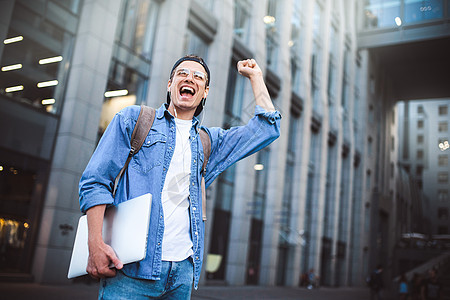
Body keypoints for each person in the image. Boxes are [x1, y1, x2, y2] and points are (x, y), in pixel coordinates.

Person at [78, 55, 281, 299]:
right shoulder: (134, 120)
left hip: (182, 274)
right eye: (182, 73)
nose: (189, 78)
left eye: (198, 77)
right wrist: (95, 243)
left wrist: (256, 77)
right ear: (169, 84)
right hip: (130, 270)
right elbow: (95, 181)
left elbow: (267, 129)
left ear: (205, 92)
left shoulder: (209, 142)